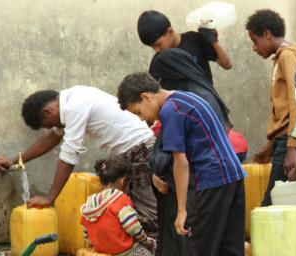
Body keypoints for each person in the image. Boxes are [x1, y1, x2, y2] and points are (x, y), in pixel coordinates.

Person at [0, 86, 158, 236]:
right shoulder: (72, 99)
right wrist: (14, 160)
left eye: (46, 125)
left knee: (147, 215)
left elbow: (69, 154)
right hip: (131, 151)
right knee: (130, 210)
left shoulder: (75, 106)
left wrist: (50, 198)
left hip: (139, 150)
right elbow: (52, 138)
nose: (51, 128)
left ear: (48, 111)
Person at [117, 73, 246, 256]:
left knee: (195, 248)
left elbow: (180, 162)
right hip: (234, 176)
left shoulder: (171, 111)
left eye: (138, 112)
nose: (141, 118)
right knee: (229, 248)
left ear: (146, 97)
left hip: (212, 180)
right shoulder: (185, 97)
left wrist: (182, 210)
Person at [245, 9, 296, 206]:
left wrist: (292, 148)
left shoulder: (288, 56)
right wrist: (269, 148)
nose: (254, 48)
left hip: (291, 143)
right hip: (287, 142)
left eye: (255, 41)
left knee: (273, 203)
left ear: (267, 34)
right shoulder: (291, 54)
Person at [149, 48, 249, 162]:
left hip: (213, 168)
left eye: (159, 80)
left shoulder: (186, 100)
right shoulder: (201, 93)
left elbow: (174, 151)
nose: (159, 87)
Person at [81, 157, 157, 256]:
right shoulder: (120, 200)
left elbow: (86, 233)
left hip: (101, 251)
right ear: (123, 181)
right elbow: (132, 227)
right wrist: (146, 241)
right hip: (125, 251)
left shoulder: (88, 205)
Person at [137, 10, 232, 84]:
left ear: (170, 31)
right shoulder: (159, 61)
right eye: (152, 47)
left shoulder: (194, 40)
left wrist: (213, 41)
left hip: (204, 103)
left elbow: (227, 65)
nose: (157, 50)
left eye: (158, 44)